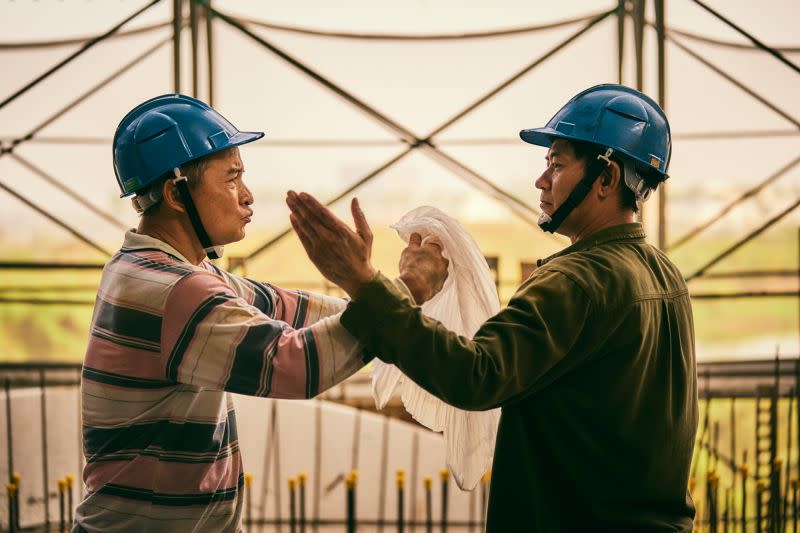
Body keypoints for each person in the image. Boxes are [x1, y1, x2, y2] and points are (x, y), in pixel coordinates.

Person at [286, 84, 698, 531]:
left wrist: (366, 286)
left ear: (606, 178)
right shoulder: (665, 275)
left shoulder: (577, 281)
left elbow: (475, 375)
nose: (542, 180)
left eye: (556, 164)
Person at [75, 94, 375, 532]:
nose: (248, 196)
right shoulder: (174, 289)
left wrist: (388, 303)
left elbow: (283, 307)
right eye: (232, 178)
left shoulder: (157, 268)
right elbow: (293, 364)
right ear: (176, 193)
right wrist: (390, 307)